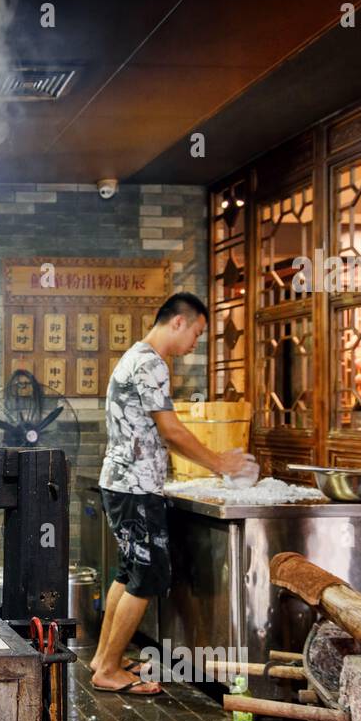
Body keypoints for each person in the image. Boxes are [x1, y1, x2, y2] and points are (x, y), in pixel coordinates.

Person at [91, 292, 252, 694]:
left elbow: (163, 434)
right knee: (148, 575)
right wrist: (220, 463)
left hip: (122, 482)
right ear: (178, 322)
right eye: (196, 332)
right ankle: (108, 670)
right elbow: (172, 430)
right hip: (136, 487)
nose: (195, 343)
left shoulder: (136, 357)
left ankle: (102, 657)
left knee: (129, 571)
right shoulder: (151, 363)